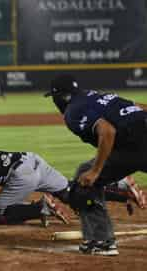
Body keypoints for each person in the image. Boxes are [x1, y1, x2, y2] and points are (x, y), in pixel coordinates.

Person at [44, 74, 147, 256]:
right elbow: (136, 110)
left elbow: (107, 131)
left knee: (85, 181)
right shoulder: (97, 96)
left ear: (61, 97)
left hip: (135, 144)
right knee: (88, 171)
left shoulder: (73, 111)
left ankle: (101, 242)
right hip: (138, 137)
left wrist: (96, 171)